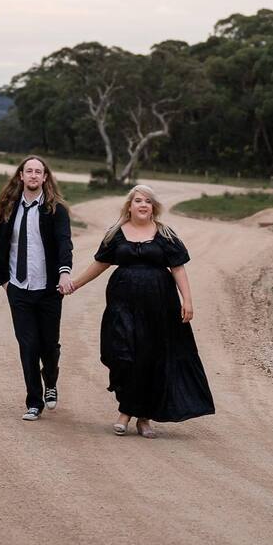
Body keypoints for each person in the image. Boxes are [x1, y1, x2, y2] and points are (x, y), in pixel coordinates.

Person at [64, 184, 214, 437]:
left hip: (159, 306)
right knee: (123, 355)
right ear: (129, 206)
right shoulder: (116, 234)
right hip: (122, 304)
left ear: (153, 207)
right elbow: (101, 263)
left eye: (148, 201)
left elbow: (178, 268)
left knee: (151, 357)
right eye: (138, 201)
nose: (143, 205)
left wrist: (187, 301)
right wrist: (76, 284)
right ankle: (129, 407)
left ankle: (139, 417)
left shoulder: (166, 234)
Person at [0, 155, 73, 421]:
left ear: (45, 177)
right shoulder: (9, 208)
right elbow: (0, 246)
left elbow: (64, 243)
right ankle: (33, 401)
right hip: (18, 288)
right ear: (21, 176)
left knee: (49, 345)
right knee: (28, 345)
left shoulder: (55, 210)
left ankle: (50, 381)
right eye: (29, 171)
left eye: (39, 172)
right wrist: (4, 280)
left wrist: (64, 273)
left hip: (49, 288)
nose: (34, 176)